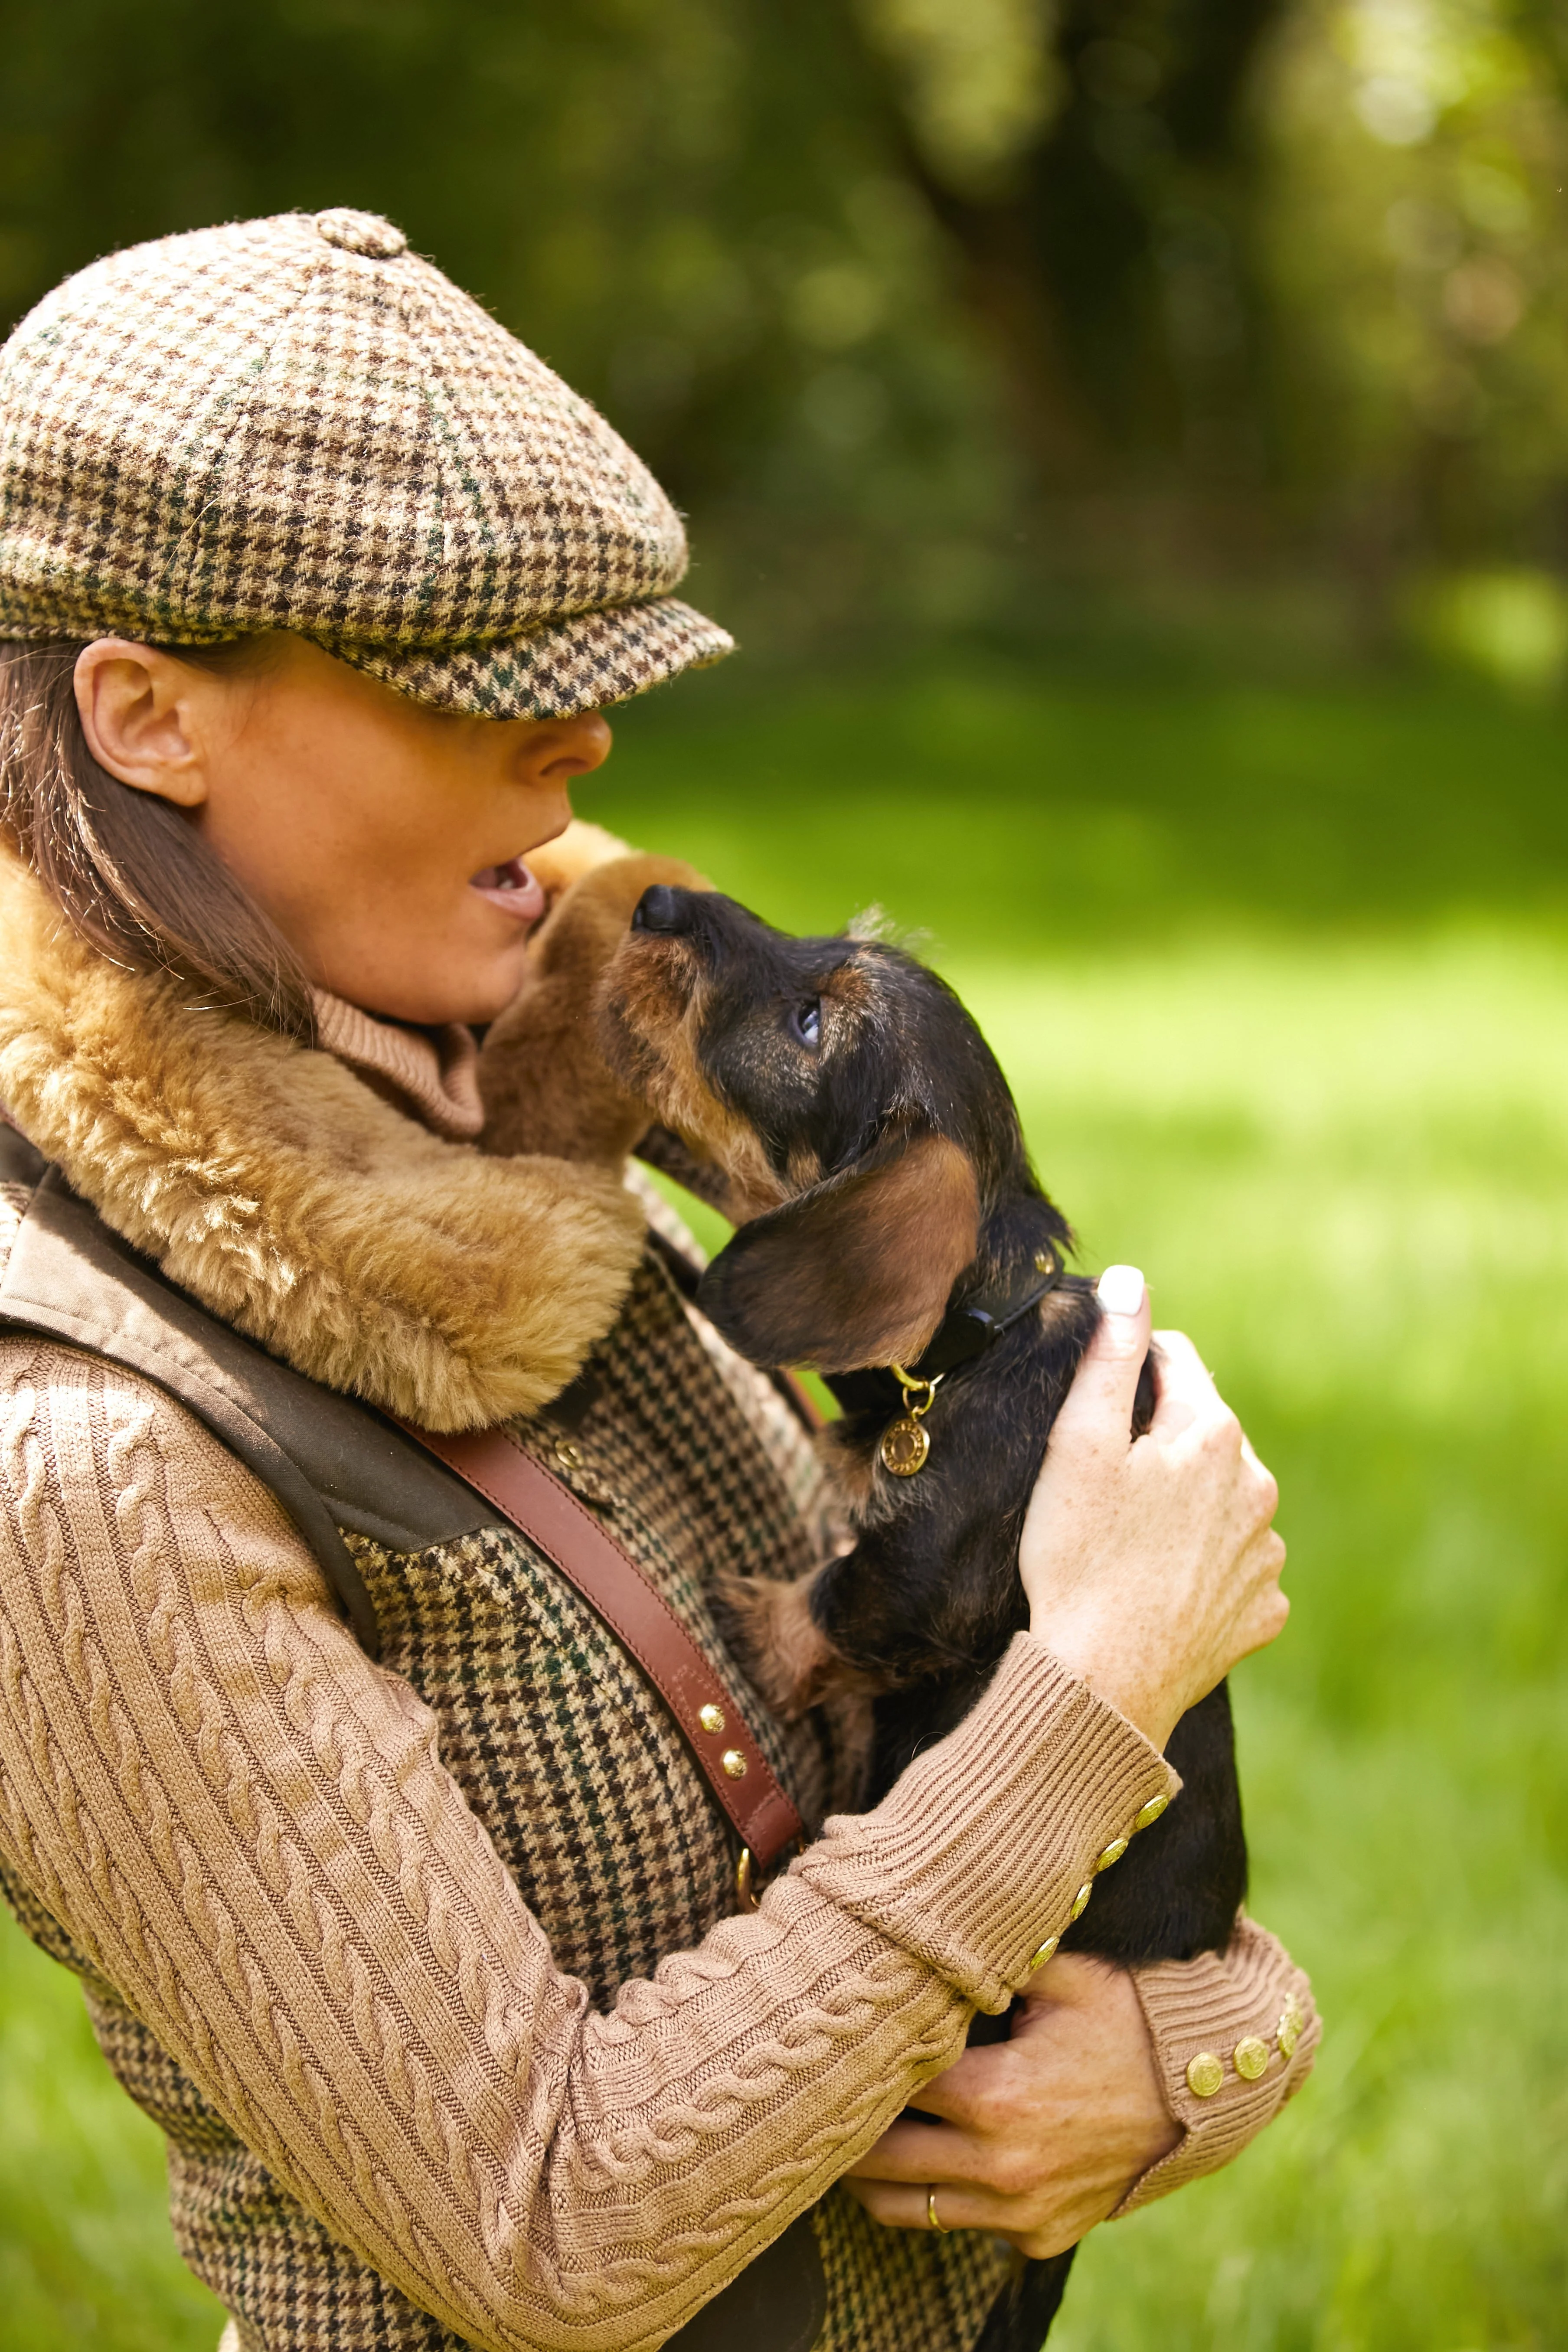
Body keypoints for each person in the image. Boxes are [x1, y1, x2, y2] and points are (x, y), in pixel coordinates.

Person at [0, 209, 1315, 2352]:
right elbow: (556, 2235)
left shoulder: (550, 1182)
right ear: (148, 715)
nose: (586, 750)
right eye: (468, 687)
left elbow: (984, 1786)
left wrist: (1194, 2056)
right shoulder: (80, 1470)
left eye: (583, 684)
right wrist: (1092, 1705)